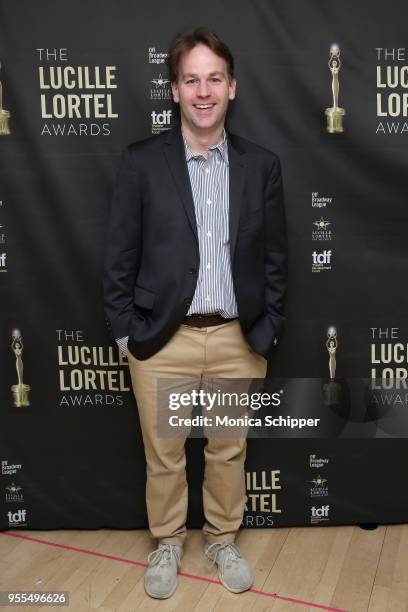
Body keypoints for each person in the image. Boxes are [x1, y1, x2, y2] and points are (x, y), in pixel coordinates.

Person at [103, 26, 287, 599]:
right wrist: (125, 335)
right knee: (164, 457)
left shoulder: (261, 166)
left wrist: (268, 326)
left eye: (214, 79)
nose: (202, 91)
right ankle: (166, 543)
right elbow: (119, 257)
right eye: (191, 80)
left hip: (236, 338)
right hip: (163, 340)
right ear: (175, 90)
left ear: (231, 88)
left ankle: (222, 539)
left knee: (228, 451)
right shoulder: (142, 162)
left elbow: (277, 255)